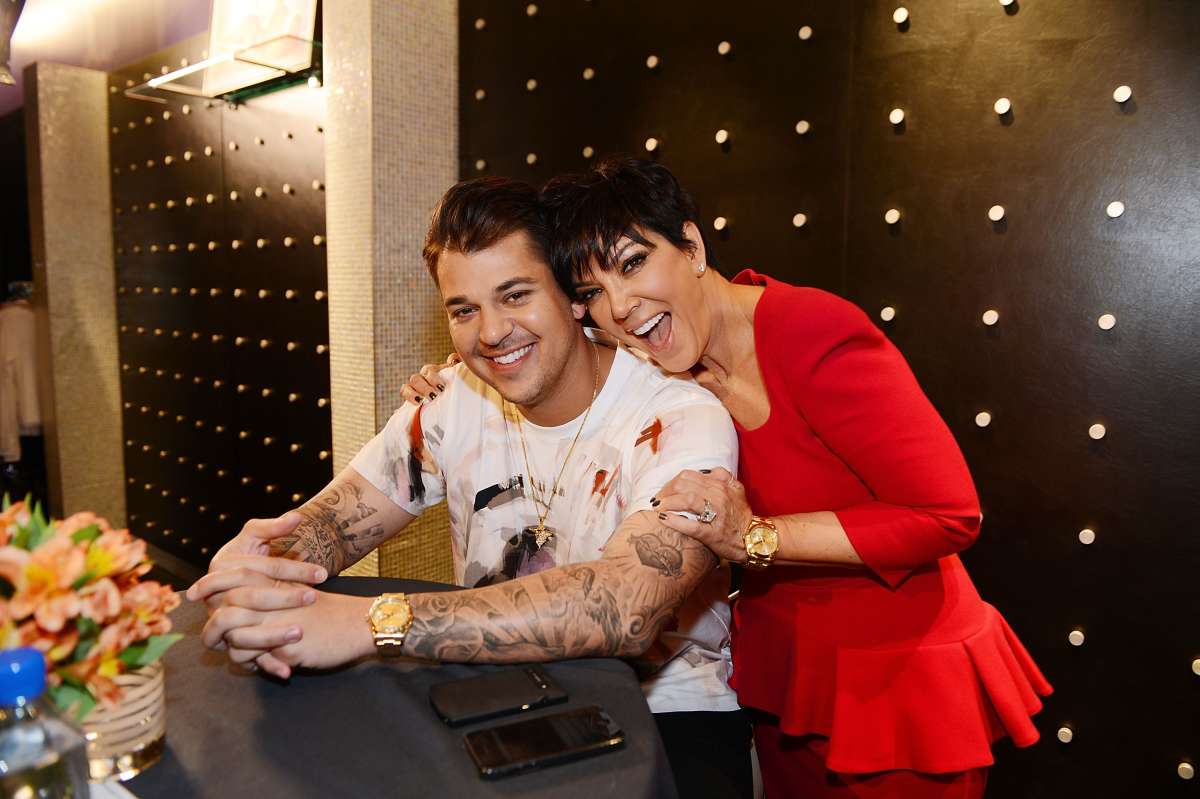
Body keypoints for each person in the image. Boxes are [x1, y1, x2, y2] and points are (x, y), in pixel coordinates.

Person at [189, 177, 754, 797]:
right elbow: (334, 522)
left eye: (515, 296)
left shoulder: (680, 416)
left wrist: (373, 621)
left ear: (572, 297)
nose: (491, 332)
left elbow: (626, 607)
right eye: (464, 310)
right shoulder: (452, 399)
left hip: (668, 711)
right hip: (495, 687)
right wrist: (262, 570)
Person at [534, 156, 1053, 799]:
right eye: (591, 292)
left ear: (691, 247)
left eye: (634, 262)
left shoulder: (811, 331)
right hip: (785, 686)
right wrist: (459, 382)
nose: (619, 306)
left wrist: (754, 537)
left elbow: (946, 514)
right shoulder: (663, 366)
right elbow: (560, 374)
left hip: (896, 689)